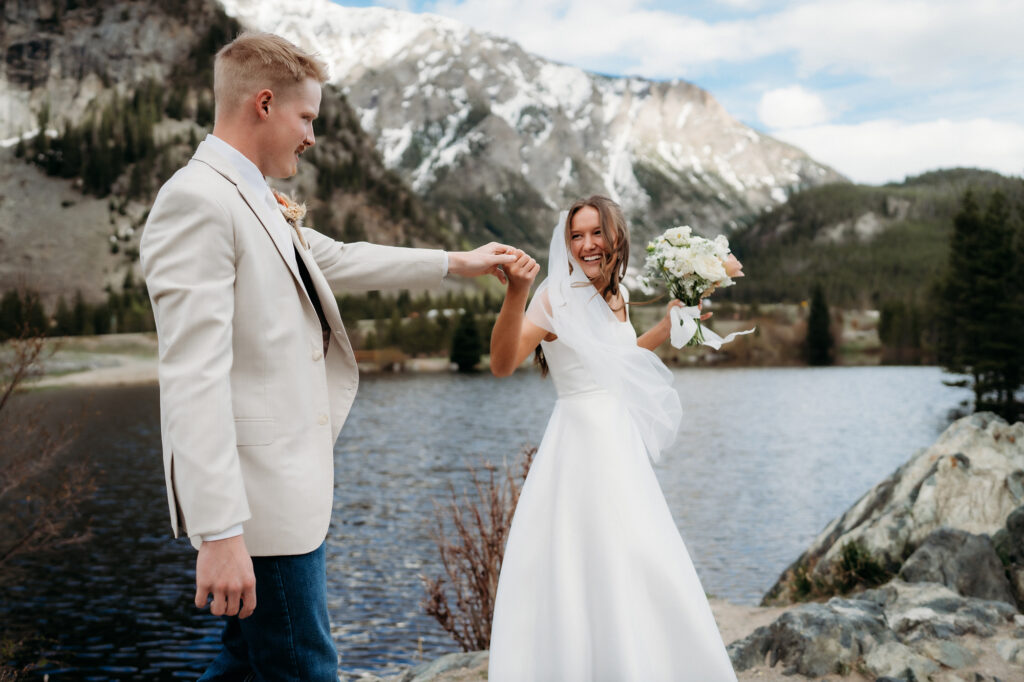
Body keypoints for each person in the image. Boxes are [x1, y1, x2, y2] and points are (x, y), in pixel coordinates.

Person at [139, 32, 515, 681]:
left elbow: (335, 255)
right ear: (264, 103)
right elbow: (191, 378)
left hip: (286, 493)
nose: (312, 136)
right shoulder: (197, 201)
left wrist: (460, 263)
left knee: (247, 665)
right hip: (258, 508)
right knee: (302, 667)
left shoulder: (248, 193)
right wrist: (221, 533)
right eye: (306, 117)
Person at [486, 195, 740, 681]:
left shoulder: (615, 295)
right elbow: (501, 365)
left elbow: (615, 364)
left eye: (595, 233)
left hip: (617, 443)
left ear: (615, 236)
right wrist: (517, 294)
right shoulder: (553, 297)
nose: (586, 245)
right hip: (580, 445)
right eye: (576, 236)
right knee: (587, 559)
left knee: (636, 555)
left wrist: (666, 327)